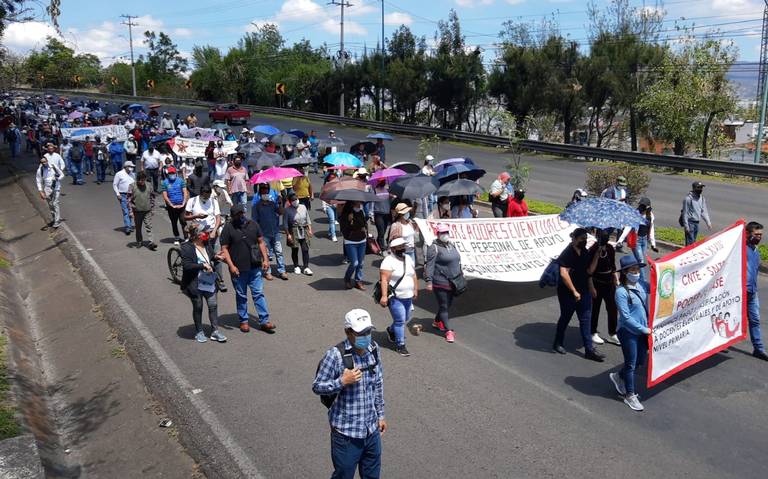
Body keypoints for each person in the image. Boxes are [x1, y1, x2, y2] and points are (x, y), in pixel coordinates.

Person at [312, 309, 386, 479]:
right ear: (348, 332)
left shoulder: (374, 349)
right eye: (361, 333)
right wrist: (342, 381)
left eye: (368, 332)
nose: (366, 336)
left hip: (371, 430)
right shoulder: (335, 355)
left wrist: (381, 415)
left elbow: (378, 384)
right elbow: (317, 387)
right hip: (346, 435)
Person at [220, 204, 275, 334]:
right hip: (238, 270)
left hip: (255, 267)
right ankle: (243, 321)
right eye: (237, 214)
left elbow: (261, 242)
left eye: (242, 213)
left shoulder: (253, 225)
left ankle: (264, 321)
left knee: (258, 294)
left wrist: (265, 260)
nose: (240, 216)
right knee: (241, 295)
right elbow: (224, 249)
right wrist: (231, 266)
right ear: (233, 216)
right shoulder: (228, 228)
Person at [552, 228, 605, 362]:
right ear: (574, 238)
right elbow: (564, 274)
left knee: (585, 320)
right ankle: (558, 343)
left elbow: (589, 271)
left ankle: (589, 350)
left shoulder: (585, 252)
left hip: (584, 291)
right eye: (581, 238)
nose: (584, 241)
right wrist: (574, 291)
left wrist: (596, 255)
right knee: (565, 317)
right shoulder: (567, 253)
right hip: (567, 293)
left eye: (585, 238)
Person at [609, 255, 651, 412]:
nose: (636, 272)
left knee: (640, 361)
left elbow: (657, 288)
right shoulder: (621, 292)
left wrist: (661, 270)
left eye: (638, 269)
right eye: (633, 270)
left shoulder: (641, 284)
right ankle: (630, 395)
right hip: (628, 332)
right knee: (631, 363)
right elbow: (625, 318)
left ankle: (618, 376)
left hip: (642, 331)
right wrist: (643, 329)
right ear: (625, 272)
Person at [180, 224, 227, 344]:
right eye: (205, 232)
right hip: (194, 282)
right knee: (198, 306)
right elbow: (187, 265)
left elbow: (210, 256)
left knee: (213, 305)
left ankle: (215, 331)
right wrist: (202, 266)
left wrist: (216, 257)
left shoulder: (206, 243)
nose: (208, 233)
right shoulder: (186, 247)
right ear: (197, 234)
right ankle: (199, 331)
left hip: (208, 281)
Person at [379, 237, 418, 356]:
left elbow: (413, 275)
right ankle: (400, 345)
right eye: (399, 247)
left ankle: (391, 330)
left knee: (406, 318)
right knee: (400, 321)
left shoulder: (408, 258)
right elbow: (384, 280)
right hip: (395, 297)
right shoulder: (388, 261)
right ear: (393, 249)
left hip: (408, 296)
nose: (402, 249)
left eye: (403, 246)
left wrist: (415, 289)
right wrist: (384, 296)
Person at [425, 224, 462, 343]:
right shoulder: (434, 248)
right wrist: (429, 281)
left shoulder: (451, 245)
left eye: (446, 232)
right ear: (438, 234)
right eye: (442, 233)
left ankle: (437, 321)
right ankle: (448, 331)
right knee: (444, 306)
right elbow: (429, 266)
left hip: (454, 281)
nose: (445, 235)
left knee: (447, 305)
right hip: (440, 282)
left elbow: (457, 261)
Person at [588, 230, 618, 346]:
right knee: (595, 308)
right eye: (602, 237)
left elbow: (613, 266)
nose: (605, 239)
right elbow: (589, 271)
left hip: (609, 282)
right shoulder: (593, 250)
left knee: (612, 308)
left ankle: (612, 332)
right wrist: (591, 287)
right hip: (597, 282)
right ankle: (592, 331)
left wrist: (616, 279)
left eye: (606, 237)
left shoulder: (610, 248)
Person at [617, 197, 658, 282]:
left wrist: (653, 244)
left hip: (644, 240)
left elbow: (651, 229)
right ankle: (643, 280)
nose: (641, 208)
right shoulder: (636, 214)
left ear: (648, 207)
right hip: (636, 240)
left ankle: (633, 275)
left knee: (640, 259)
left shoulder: (650, 216)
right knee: (640, 260)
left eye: (643, 206)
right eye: (640, 205)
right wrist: (620, 241)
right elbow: (628, 227)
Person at [252, 183, 288, 281]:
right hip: (264, 234)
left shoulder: (272, 203)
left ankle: (282, 271)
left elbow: (281, 212)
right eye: (263, 188)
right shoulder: (256, 205)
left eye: (267, 189)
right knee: (266, 254)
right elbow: (254, 220)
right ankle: (267, 272)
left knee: (279, 252)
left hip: (275, 232)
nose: (265, 190)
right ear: (260, 190)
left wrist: (280, 203)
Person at [745, 221, 768, 361]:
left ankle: (758, 349)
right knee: (732, 319)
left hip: (752, 292)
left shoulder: (756, 250)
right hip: (740, 292)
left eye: (760, 235)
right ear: (748, 233)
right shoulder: (741, 249)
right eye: (756, 234)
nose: (759, 237)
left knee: (755, 320)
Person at [340, 201, 368, 290]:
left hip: (362, 240)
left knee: (361, 263)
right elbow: (343, 229)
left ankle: (358, 281)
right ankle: (347, 278)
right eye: (357, 203)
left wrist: (364, 228)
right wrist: (349, 221)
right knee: (355, 263)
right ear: (352, 204)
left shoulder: (360, 212)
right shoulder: (345, 214)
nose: (360, 205)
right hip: (350, 241)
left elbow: (364, 224)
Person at [284, 193, 313, 276]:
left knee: (305, 249)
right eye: (293, 200)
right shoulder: (287, 210)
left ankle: (306, 267)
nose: (295, 201)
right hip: (294, 230)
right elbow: (285, 224)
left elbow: (307, 218)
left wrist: (310, 229)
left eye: (296, 199)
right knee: (295, 249)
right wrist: (288, 234)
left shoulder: (303, 207)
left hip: (304, 229)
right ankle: (296, 266)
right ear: (290, 202)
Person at [160, 166, 189, 244]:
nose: (172, 174)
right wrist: (171, 205)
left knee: (183, 221)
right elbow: (165, 196)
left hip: (181, 205)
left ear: (175, 173)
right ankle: (177, 237)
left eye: (173, 173)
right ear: (168, 174)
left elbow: (185, 192)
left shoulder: (181, 181)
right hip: (171, 207)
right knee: (174, 222)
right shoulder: (165, 183)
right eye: (170, 173)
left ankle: (186, 237)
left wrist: (183, 203)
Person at [129, 171, 157, 250]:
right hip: (137, 211)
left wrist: (152, 209)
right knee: (138, 227)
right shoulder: (132, 186)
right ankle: (139, 241)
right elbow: (129, 199)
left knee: (149, 226)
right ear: (137, 179)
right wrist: (130, 211)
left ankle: (151, 242)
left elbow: (152, 197)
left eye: (144, 180)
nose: (142, 182)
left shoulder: (149, 185)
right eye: (141, 180)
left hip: (147, 210)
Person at [35, 155, 63, 229]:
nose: (44, 163)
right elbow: (38, 181)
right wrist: (41, 191)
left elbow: (62, 175)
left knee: (55, 203)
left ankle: (57, 221)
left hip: (56, 187)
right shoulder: (40, 170)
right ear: (41, 163)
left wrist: (57, 179)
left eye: (45, 161)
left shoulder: (53, 167)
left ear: (47, 161)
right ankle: (55, 218)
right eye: (42, 162)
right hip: (47, 189)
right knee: (50, 205)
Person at [681, 181, 712, 246]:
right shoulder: (688, 199)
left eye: (701, 187)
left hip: (696, 223)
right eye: (698, 187)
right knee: (690, 243)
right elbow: (685, 213)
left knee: (693, 242)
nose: (700, 189)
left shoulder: (702, 198)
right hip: (690, 223)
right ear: (694, 188)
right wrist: (686, 225)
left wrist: (708, 222)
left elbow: (703, 211)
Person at [113, 161, 136, 235]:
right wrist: (118, 194)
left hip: (132, 195)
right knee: (125, 211)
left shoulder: (132, 174)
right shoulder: (119, 174)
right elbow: (115, 184)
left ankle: (129, 224)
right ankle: (128, 227)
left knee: (131, 210)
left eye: (132, 167)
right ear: (126, 167)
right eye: (130, 166)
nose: (131, 168)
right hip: (123, 195)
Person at [372, 180, 392, 251]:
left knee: (383, 232)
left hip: (386, 213)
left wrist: (391, 196)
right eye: (382, 181)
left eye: (384, 181)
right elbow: (372, 203)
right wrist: (371, 214)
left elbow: (389, 200)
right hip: (378, 214)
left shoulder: (387, 190)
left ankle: (377, 244)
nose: (384, 182)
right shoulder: (375, 190)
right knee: (381, 232)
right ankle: (382, 248)